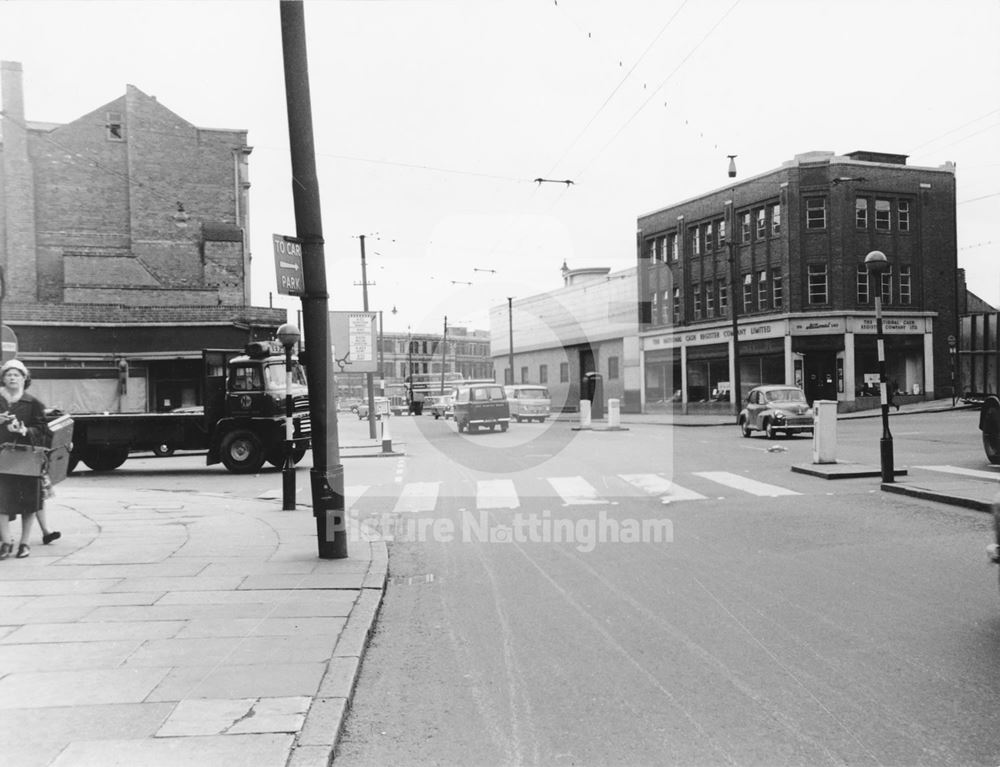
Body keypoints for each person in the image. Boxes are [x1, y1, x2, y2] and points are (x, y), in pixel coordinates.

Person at [0, 359, 52, 559]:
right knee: (1, 501)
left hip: (26, 458)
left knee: (28, 502)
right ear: (3, 378)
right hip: (1, 457)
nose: (12, 378)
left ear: (24, 379)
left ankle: (24, 543)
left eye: (17, 375)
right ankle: (6, 542)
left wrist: (24, 431)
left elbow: (43, 431)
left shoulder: (34, 403)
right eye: (8, 374)